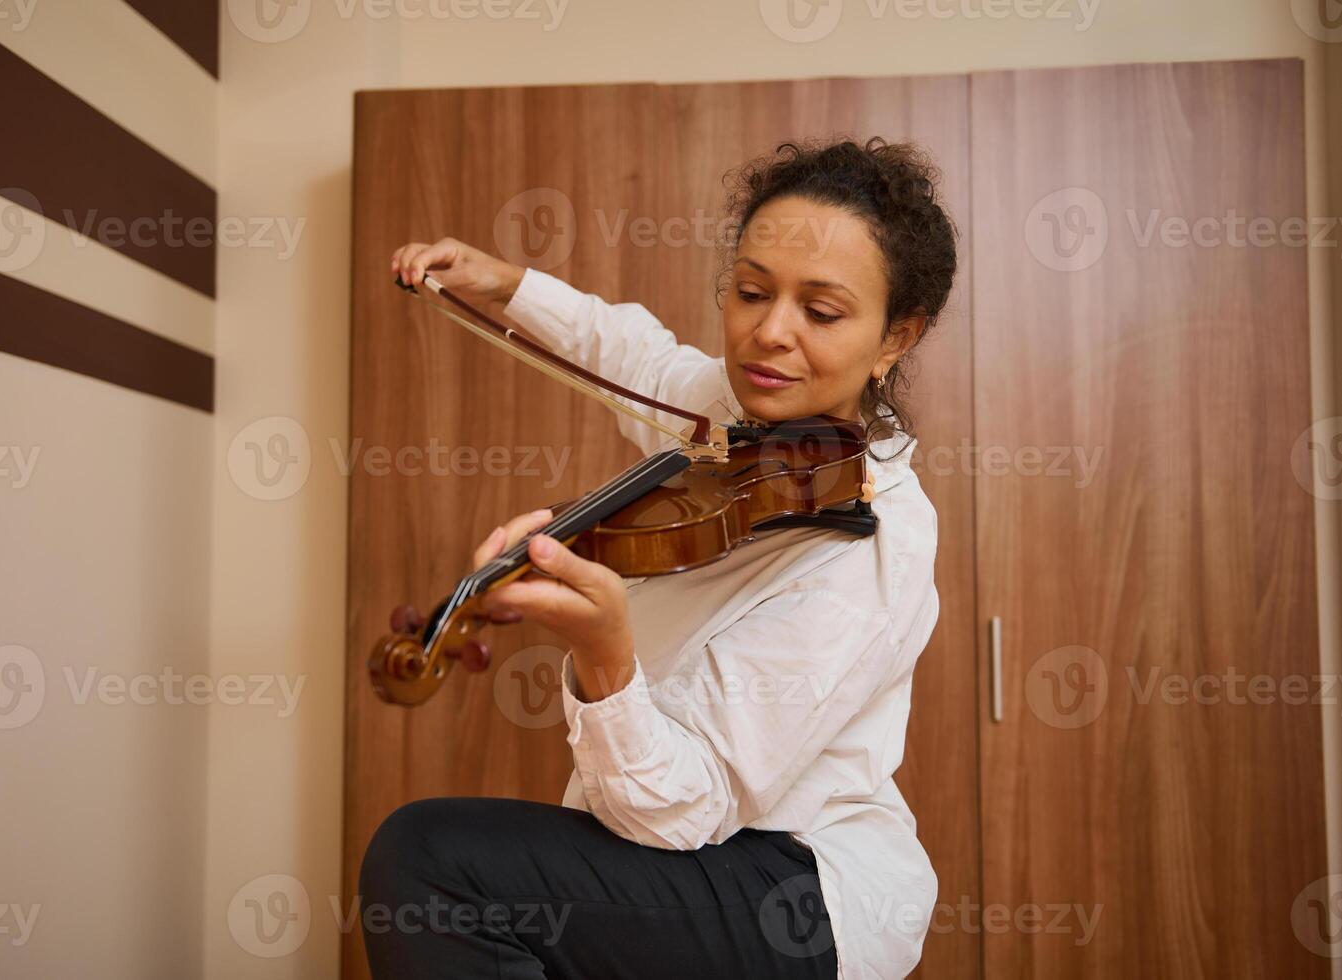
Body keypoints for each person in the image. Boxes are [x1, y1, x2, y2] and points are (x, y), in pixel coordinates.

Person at [361, 136, 958, 979]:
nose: (768, 333)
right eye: (750, 292)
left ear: (896, 335)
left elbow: (686, 807)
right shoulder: (727, 417)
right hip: (698, 853)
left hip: (803, 890)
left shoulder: (876, 543)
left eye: (820, 313)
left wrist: (605, 655)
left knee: (429, 862)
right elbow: (625, 350)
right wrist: (503, 284)